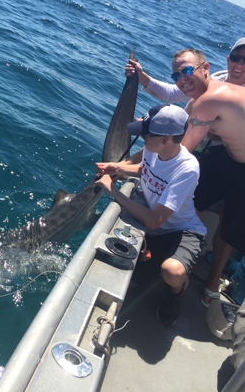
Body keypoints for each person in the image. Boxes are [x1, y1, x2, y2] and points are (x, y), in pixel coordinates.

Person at [96, 104, 206, 327]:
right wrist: (116, 168)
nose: (142, 138)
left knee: (172, 272)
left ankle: (176, 292)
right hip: (155, 230)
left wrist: (112, 190)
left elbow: (154, 221)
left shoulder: (187, 168)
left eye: (146, 134)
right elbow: (143, 169)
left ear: (166, 139)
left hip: (181, 231)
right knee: (129, 284)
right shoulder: (153, 149)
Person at [170, 47, 245, 308]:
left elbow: (180, 152)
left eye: (188, 70)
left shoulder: (211, 96)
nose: (240, 63)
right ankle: (179, 258)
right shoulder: (212, 88)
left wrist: (127, 168)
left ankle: (213, 283)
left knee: (231, 226)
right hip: (224, 156)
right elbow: (180, 124)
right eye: (236, 57)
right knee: (191, 201)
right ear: (227, 60)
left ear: (205, 68)